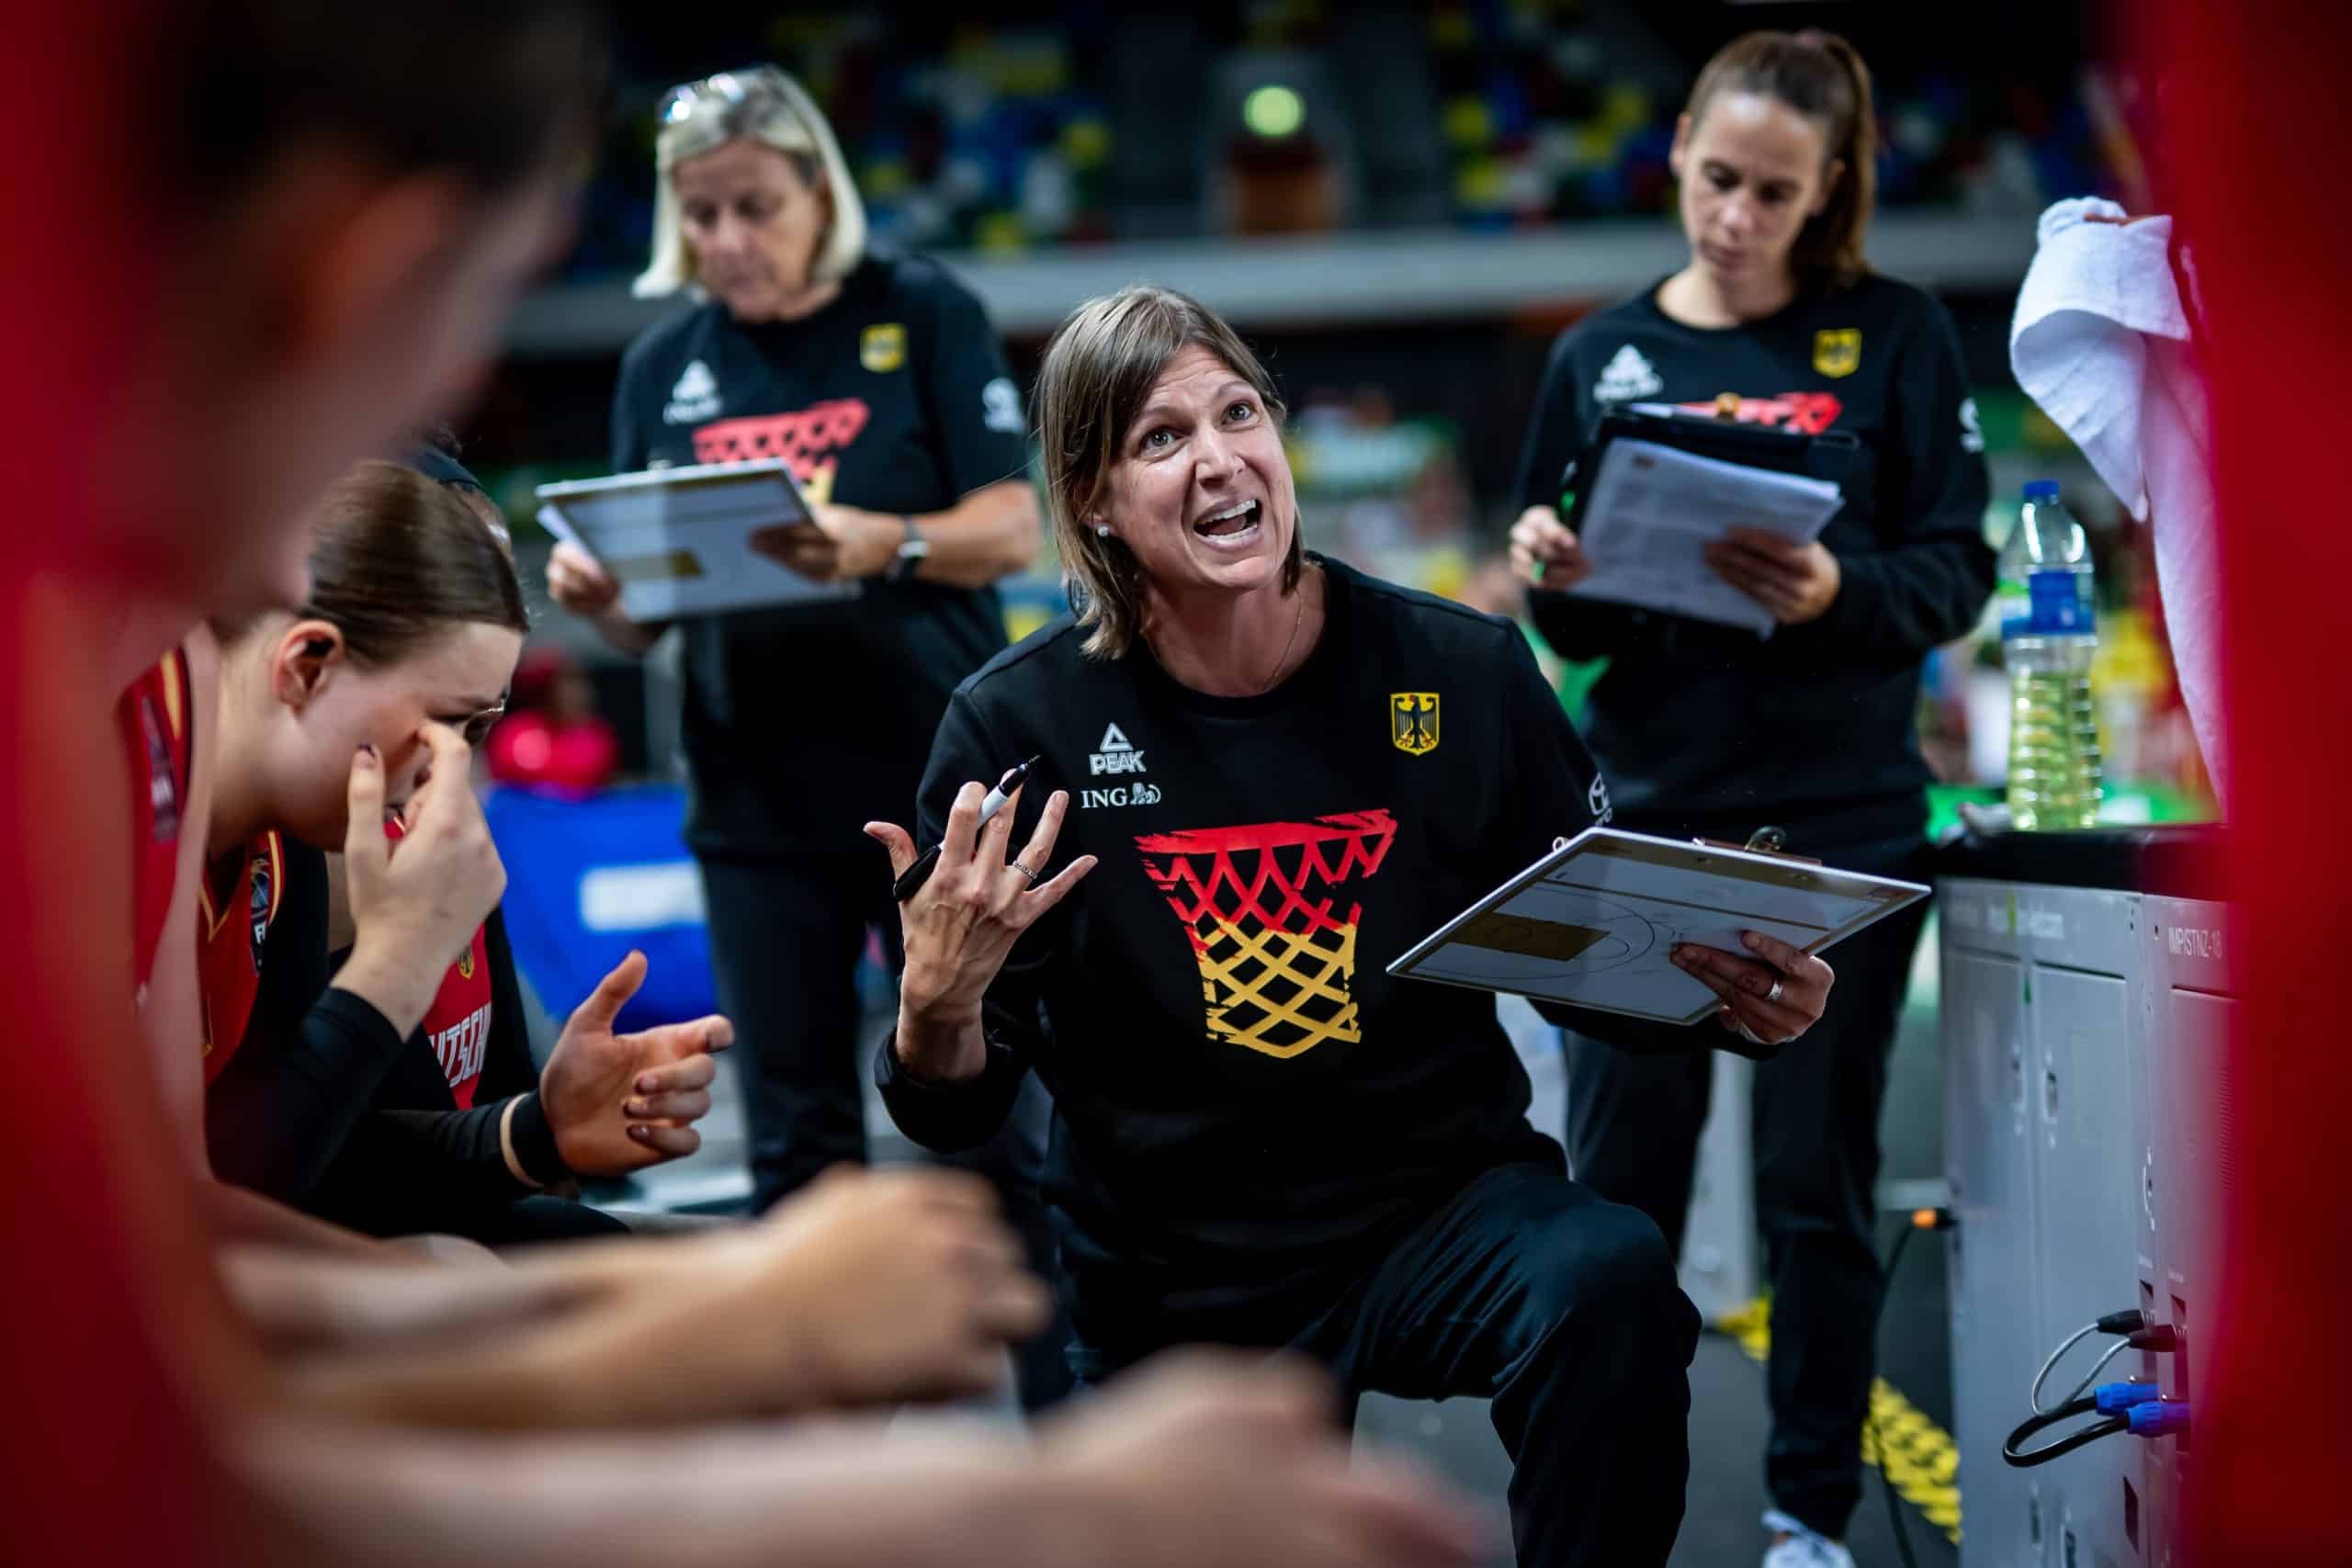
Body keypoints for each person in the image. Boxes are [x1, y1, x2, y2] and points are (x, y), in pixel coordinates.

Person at [23, 4, 1494, 1562]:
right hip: (752, 782)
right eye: (437, 348)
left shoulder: (137, 673)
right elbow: (164, 1440)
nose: (286, 556)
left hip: (900, 754)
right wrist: (1002, 1503)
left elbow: (169, 1288)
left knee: (964, 1146)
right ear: (351, 277)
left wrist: (712, 1293)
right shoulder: (127, 692)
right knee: (795, 1154)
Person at [868, 284, 1842, 1568]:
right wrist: (935, 1007)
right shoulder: (1015, 730)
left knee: (1608, 1276)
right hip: (1172, 1254)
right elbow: (953, 1105)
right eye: (1161, 439)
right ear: (1094, 499)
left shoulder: (1463, 669)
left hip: (1435, 1200)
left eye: (1238, 413)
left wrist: (1732, 994)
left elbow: (1581, 956)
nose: (1219, 457)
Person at [1506, 30, 1994, 1568]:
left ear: (1830, 189)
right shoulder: (1600, 357)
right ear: (1676, 156)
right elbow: (1568, 615)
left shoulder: (1897, 337)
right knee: (1616, 1205)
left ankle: (1807, 1518)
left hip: (1840, 819)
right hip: (1650, 814)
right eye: (1717, 178)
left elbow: (1960, 570)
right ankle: (1604, 1513)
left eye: (1773, 191)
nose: (1734, 214)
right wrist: (1552, 577)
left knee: (1813, 1193)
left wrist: (1841, 583)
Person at [543, 62, 1070, 1403]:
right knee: (794, 1137)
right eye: (702, 212)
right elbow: (650, 628)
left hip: (933, 785)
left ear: (817, 189)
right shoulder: (666, 361)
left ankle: (1067, 1421)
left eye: (754, 206)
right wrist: (607, 599)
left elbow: (1011, 527)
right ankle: (825, 1466)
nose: (729, 239)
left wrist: (877, 539)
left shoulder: (921, 307)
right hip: (754, 798)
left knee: (995, 1117)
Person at [198, 460, 727, 1244]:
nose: (451, 770)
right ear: (308, 663)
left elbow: (272, 1160)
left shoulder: (288, 837)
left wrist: (536, 1130)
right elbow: (201, 1207)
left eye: (481, 728)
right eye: (453, 721)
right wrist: (398, 964)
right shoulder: (133, 799)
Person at [486, 646, 620, 795]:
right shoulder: (514, 732)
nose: (577, 695)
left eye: (580, 684)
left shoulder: (597, 735)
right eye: (566, 684)